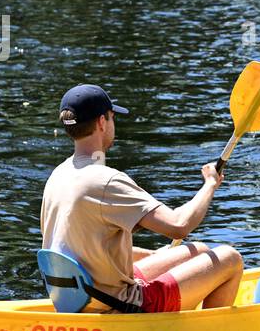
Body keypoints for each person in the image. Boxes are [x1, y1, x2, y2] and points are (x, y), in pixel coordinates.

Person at [41, 84, 244, 313]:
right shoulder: (106, 181)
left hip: (82, 295)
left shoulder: (58, 175)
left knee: (196, 250)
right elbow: (179, 225)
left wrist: (154, 255)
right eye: (112, 117)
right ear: (101, 122)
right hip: (118, 304)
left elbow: (82, 246)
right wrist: (210, 184)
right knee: (230, 258)